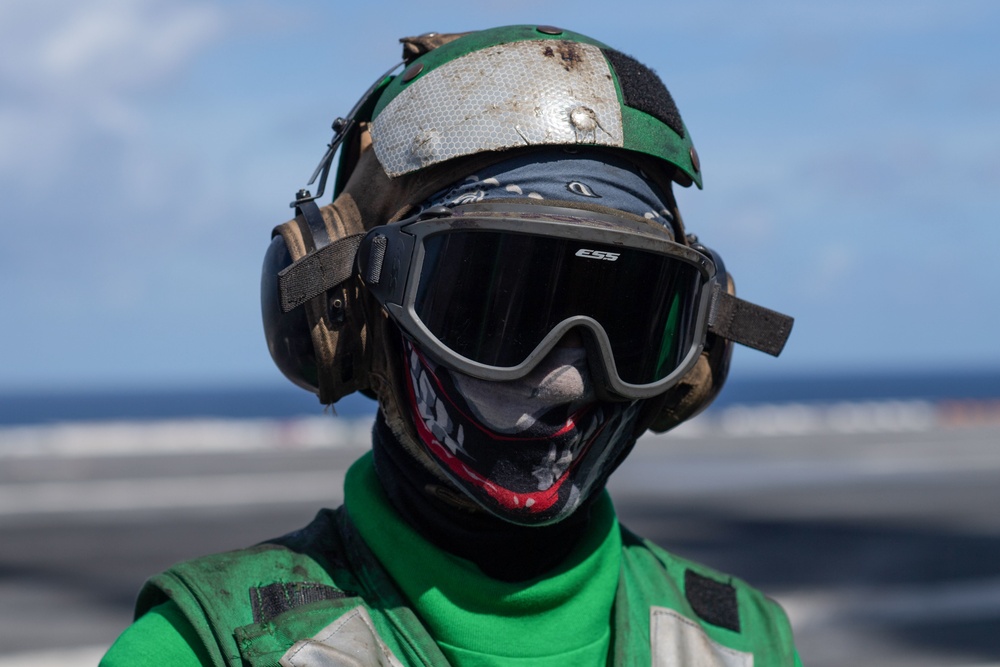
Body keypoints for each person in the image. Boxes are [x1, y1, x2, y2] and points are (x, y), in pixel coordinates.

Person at [101, 25, 799, 666]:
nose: (565, 382)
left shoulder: (748, 642)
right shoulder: (201, 649)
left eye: (625, 316)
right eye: (495, 311)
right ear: (349, 311)